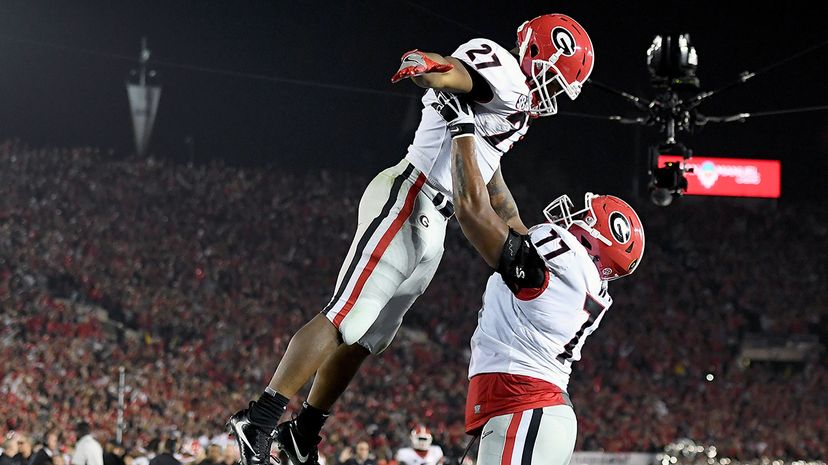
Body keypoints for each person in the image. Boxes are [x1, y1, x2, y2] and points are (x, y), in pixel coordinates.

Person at [227, 13, 596, 465]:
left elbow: (490, 172)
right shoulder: (500, 67)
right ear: (536, 53)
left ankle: (304, 432)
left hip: (434, 222)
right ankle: (260, 419)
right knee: (346, 314)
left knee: (368, 338)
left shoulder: (515, 109)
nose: (551, 95)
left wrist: (518, 228)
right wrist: (426, 63)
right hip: (409, 194)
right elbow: (454, 72)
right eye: (554, 80)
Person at [433, 92, 644, 464]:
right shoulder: (570, 276)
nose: (574, 217)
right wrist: (488, 144)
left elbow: (472, 213)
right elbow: (506, 211)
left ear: (596, 243)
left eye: (585, 218)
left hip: (526, 405)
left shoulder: (563, 266)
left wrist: (463, 129)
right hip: (529, 406)